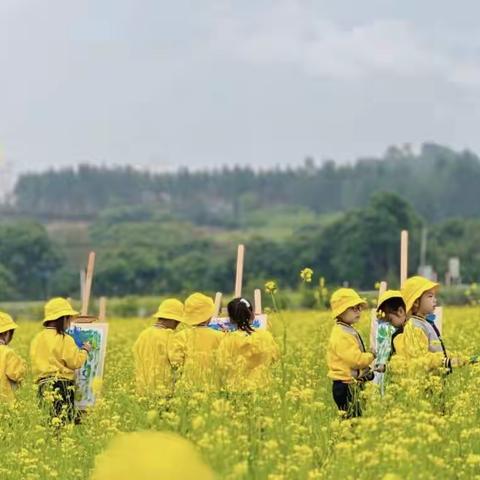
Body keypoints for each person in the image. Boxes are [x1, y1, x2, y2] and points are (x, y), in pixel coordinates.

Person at [30, 297, 91, 423]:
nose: (69, 323)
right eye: (68, 319)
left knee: (49, 423)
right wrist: (85, 350)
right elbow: (75, 362)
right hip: (62, 386)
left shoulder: (37, 339)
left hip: (43, 386)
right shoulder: (65, 339)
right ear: (62, 319)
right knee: (63, 423)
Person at [326, 288, 375, 417]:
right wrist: (371, 356)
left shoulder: (346, 330)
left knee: (355, 421)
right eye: (353, 308)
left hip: (350, 384)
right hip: (346, 387)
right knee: (353, 423)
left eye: (359, 307)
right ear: (341, 311)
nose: (358, 311)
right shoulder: (342, 334)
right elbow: (356, 360)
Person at [217, 297, 280, 392]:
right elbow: (274, 358)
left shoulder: (227, 339)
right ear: (252, 314)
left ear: (230, 318)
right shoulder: (265, 335)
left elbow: (222, 365)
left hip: (235, 389)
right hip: (262, 388)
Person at [169, 293, 224, 390]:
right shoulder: (220, 336)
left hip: (188, 388)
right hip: (214, 387)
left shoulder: (181, 336)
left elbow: (175, 363)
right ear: (209, 315)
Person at [132, 298, 184, 397]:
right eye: (177, 322)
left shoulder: (143, 334)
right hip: (163, 391)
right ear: (173, 320)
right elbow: (177, 362)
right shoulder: (170, 336)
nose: (177, 325)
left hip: (142, 390)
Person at [0, 311, 26, 404]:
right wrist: (22, 363)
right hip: (5, 401)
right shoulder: (8, 352)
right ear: (6, 333)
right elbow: (16, 375)